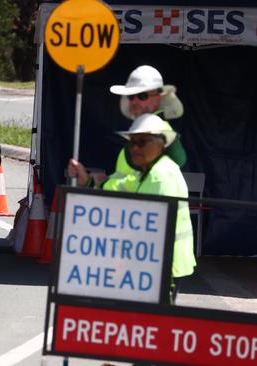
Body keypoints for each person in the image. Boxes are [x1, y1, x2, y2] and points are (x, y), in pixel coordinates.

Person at [68, 114, 197, 303]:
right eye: (132, 142)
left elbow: (151, 229)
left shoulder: (159, 176)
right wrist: (87, 182)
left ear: (160, 145)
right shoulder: (147, 171)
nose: (135, 148)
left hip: (162, 267)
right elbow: (120, 189)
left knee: (154, 324)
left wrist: (123, 259)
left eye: (142, 142)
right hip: (154, 266)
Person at [104, 65, 186, 190]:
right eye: (131, 96)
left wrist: (98, 185)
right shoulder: (140, 131)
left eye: (142, 96)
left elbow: (138, 182)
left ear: (158, 97)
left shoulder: (161, 131)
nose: (134, 102)